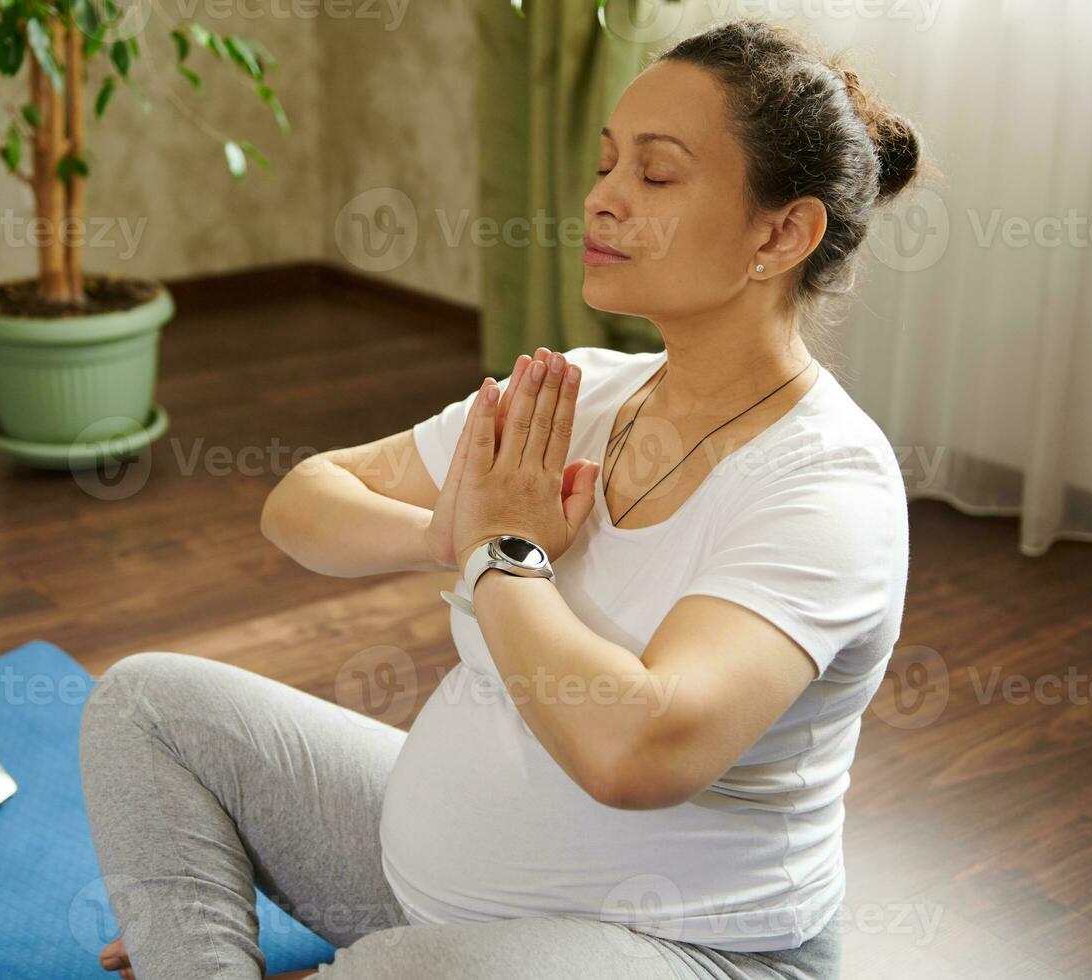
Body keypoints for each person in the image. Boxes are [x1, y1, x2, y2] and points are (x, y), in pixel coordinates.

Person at [79, 18, 920, 979]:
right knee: (144, 702)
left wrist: (506, 552)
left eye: (653, 175)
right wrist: (454, 535)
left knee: (416, 973)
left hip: (684, 948)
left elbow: (637, 753)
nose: (602, 198)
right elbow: (302, 500)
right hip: (413, 878)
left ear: (781, 232)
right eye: (605, 164)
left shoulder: (826, 487)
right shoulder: (582, 390)